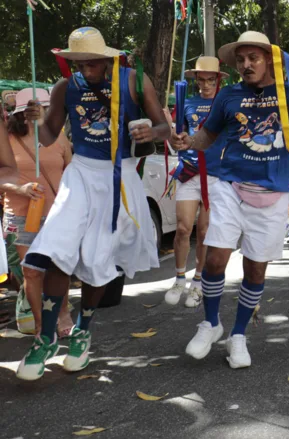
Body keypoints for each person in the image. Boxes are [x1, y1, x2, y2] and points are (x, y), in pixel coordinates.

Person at [16, 27, 166, 380]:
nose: (84, 67)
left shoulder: (133, 81)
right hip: (80, 174)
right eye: (77, 61)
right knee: (54, 250)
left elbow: (163, 127)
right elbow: (51, 133)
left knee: (100, 261)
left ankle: (83, 330)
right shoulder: (65, 88)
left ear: (107, 57)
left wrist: (150, 133)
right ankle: (47, 337)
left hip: (120, 177)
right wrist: (37, 123)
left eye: (90, 60)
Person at [171, 31, 289, 369]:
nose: (246, 65)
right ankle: (210, 323)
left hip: (273, 192)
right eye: (241, 60)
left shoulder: (288, 94)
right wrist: (187, 142)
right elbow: (207, 135)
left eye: (253, 58)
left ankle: (237, 334)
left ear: (268, 59)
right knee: (214, 259)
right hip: (229, 185)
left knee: (255, 268)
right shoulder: (228, 96)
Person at [1, 89, 73, 336]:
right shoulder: (7, 139)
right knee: (31, 272)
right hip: (20, 215)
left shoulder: (59, 138)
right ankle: (42, 325)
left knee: (57, 268)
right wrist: (18, 188)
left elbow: (73, 172)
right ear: (20, 112)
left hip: (56, 213)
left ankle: (63, 314)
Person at [165, 56, 226, 308]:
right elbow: (175, 138)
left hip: (215, 173)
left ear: (218, 80)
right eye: (201, 80)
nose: (206, 85)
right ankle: (179, 277)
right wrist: (174, 138)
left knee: (204, 232)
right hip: (189, 170)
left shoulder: (226, 104)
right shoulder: (186, 102)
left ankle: (198, 282)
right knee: (182, 228)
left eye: (210, 80)